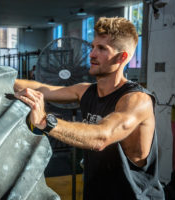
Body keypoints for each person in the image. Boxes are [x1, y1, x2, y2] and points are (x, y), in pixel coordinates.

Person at [14, 17, 164, 200]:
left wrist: (46, 122)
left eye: (102, 49)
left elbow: (102, 136)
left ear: (122, 57)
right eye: (93, 46)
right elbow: (41, 88)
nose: (92, 54)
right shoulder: (86, 91)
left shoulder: (137, 100)